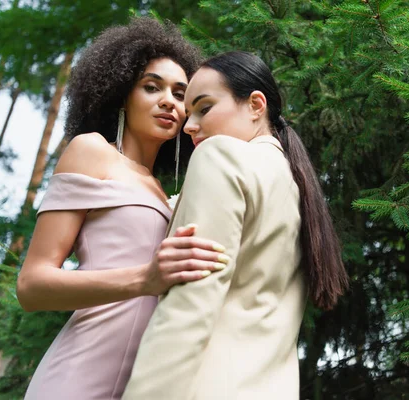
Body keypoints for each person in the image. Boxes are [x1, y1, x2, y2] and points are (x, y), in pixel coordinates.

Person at [17, 18, 226, 400]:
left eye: (181, 94)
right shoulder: (92, 151)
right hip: (76, 379)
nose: (169, 101)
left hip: (146, 386)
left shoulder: (168, 194)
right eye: (151, 87)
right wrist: (145, 278)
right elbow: (32, 286)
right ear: (121, 95)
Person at [122, 51, 350, 399]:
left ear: (256, 105)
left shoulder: (219, 157)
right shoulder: (297, 187)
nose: (189, 126)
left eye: (204, 108)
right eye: (188, 114)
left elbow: (191, 304)